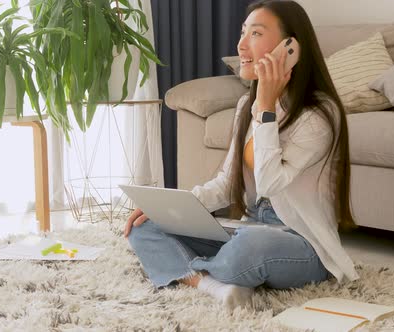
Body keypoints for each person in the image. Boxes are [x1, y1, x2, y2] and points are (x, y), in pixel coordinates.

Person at [124, 0, 359, 309]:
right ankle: (212, 286)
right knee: (145, 228)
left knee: (248, 248)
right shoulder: (243, 108)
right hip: (248, 228)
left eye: (256, 34)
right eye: (242, 32)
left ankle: (178, 266)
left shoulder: (318, 115)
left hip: (301, 243)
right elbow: (225, 184)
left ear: (290, 48)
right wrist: (172, 208)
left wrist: (265, 108)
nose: (241, 44)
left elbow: (269, 183)